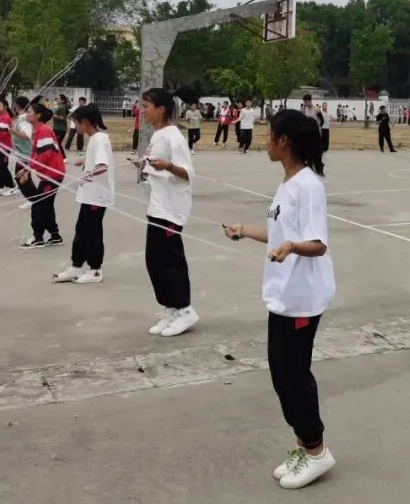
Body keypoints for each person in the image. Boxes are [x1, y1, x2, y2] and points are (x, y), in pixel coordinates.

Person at [221, 109, 336, 489]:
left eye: (270, 134)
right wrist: (244, 230)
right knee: (282, 374)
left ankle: (317, 451)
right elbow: (278, 234)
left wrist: (290, 246)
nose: (265, 140)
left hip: (302, 297)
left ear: (283, 141)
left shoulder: (308, 186)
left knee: (293, 377)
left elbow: (317, 244)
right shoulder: (287, 184)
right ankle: (305, 445)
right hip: (284, 296)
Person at [137, 88, 198, 337]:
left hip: (171, 211)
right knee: (154, 261)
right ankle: (171, 308)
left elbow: (188, 173)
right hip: (157, 206)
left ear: (161, 108)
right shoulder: (158, 135)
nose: (142, 110)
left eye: (146, 106)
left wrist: (168, 166)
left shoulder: (173, 136)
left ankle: (185, 309)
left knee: (170, 263)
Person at [54, 104, 112, 283]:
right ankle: (76, 267)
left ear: (86, 122)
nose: (75, 127)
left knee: (92, 232)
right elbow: (94, 160)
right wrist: (78, 162)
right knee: (81, 229)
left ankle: (95, 270)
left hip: (97, 195)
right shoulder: (94, 138)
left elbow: (102, 166)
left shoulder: (100, 139)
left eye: (76, 123)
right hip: (88, 194)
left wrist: (89, 172)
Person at [18, 101, 65, 249]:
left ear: (38, 115)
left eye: (30, 111)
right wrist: (26, 168)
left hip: (53, 174)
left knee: (38, 205)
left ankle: (38, 237)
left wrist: (28, 170)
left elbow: (44, 155)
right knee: (46, 205)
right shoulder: (37, 130)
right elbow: (35, 155)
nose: (27, 114)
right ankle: (55, 235)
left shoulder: (44, 130)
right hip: (49, 174)